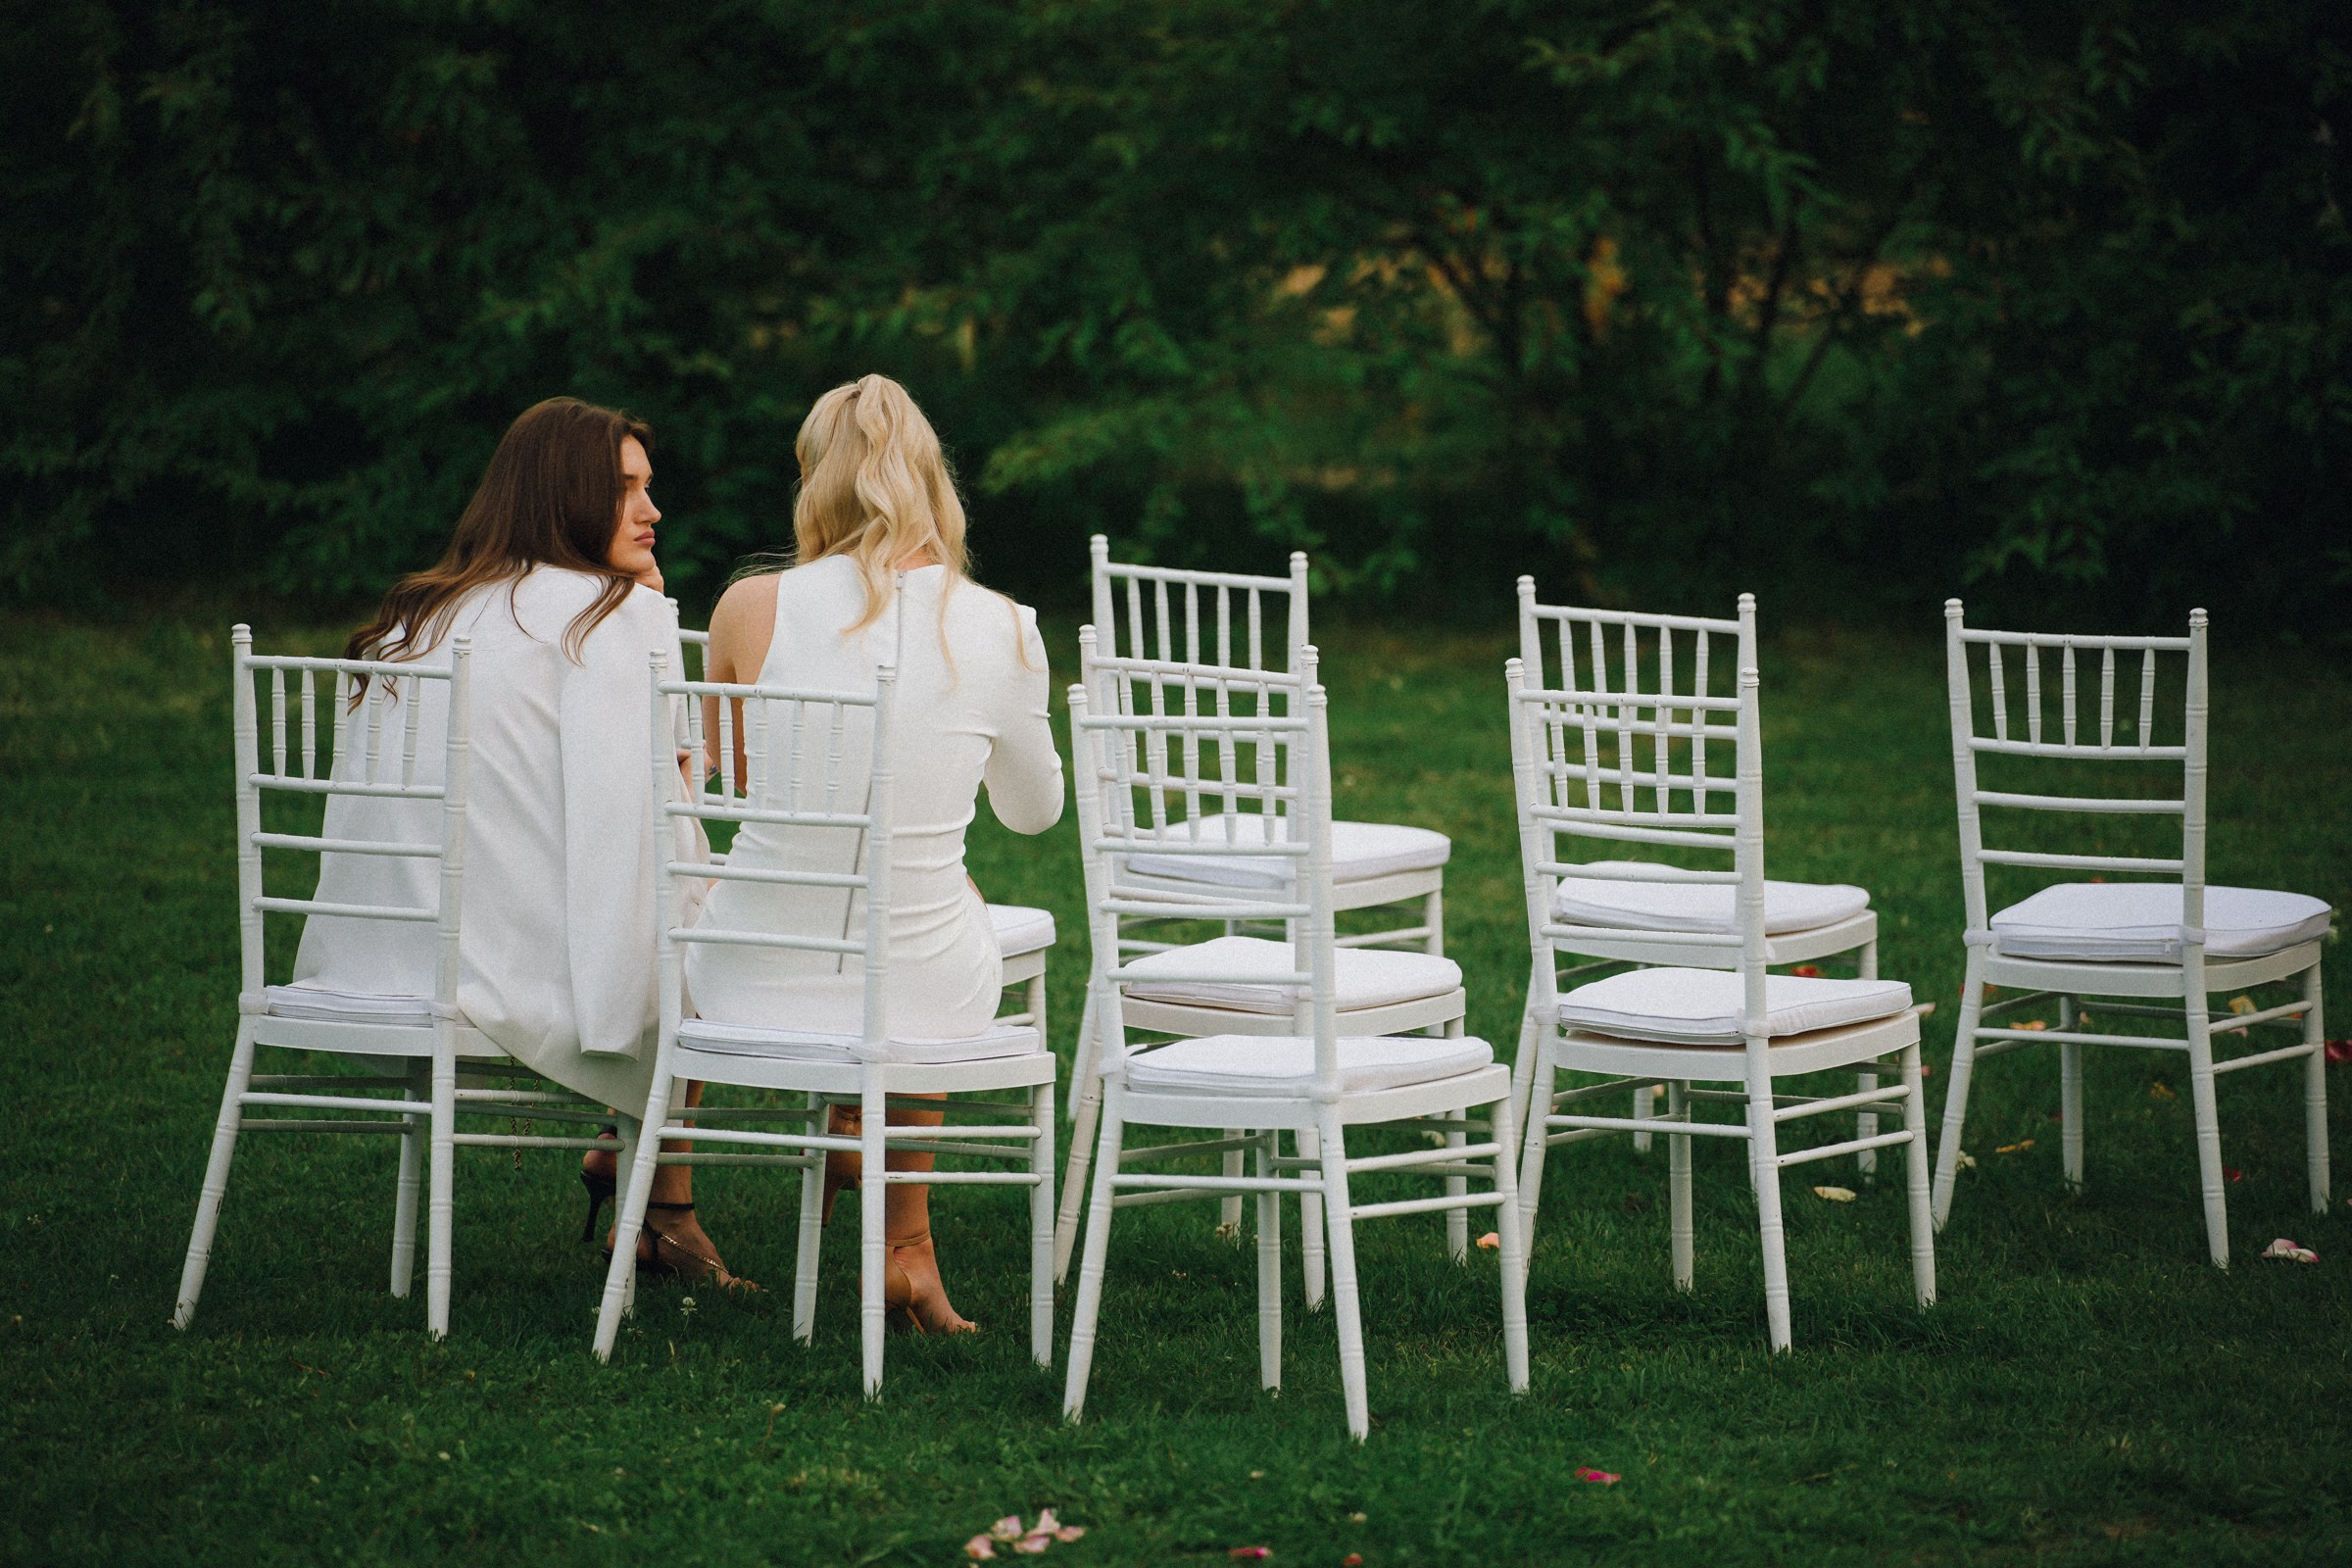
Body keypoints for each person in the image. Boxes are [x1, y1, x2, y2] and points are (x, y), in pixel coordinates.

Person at [283, 397, 745, 1286]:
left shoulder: (414, 616)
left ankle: (655, 1196)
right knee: (706, 916)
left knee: (678, 904)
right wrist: (648, 621)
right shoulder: (603, 615)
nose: (653, 512)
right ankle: (662, 1188)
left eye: (650, 489)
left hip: (378, 954)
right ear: (564, 497)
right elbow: (664, 819)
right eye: (625, 491)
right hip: (500, 972)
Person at [692, 373, 1062, 1333]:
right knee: (938, 903)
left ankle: (858, 1156)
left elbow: (727, 775)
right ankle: (906, 1245)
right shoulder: (1003, 626)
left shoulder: (747, 606)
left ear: (818, 481)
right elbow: (1033, 814)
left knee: (900, 896)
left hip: (743, 971)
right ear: (932, 481)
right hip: (923, 985)